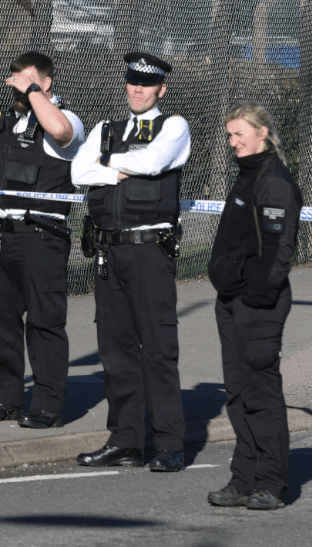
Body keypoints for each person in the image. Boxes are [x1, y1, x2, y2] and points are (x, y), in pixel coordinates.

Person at [71, 52, 190, 472]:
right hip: (108, 252)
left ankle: (169, 442)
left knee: (158, 348)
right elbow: (77, 173)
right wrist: (116, 169)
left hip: (148, 252)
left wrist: (107, 164)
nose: (137, 89)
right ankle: (125, 440)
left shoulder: (173, 126)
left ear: (161, 88)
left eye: (146, 83)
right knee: (115, 350)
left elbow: (154, 162)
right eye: (132, 82)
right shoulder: (106, 129)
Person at [0, 51, 85, 429]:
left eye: (28, 78)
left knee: (44, 323)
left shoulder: (66, 118)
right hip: (0, 236)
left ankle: (46, 405)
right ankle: (4, 397)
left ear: (46, 82)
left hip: (40, 238)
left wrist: (34, 91)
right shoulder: (7, 123)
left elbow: (60, 133)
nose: (19, 85)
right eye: (16, 78)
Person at [206, 102, 302, 510]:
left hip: (257, 305)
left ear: (262, 133)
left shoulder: (273, 181)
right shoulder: (247, 176)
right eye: (229, 136)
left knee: (261, 394)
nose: (233, 143)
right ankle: (243, 479)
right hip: (232, 301)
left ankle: (271, 483)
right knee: (238, 393)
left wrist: (254, 298)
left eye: (239, 135)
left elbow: (279, 251)